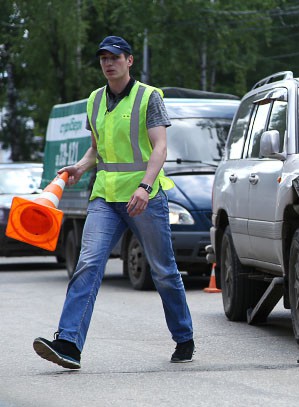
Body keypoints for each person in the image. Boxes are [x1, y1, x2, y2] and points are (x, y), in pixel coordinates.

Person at [33, 36, 194, 369]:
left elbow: (160, 148)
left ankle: (183, 337)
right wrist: (79, 166)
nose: (108, 63)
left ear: (129, 61)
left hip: (144, 198)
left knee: (163, 271)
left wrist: (145, 187)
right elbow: (97, 150)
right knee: (88, 265)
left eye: (115, 57)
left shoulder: (149, 97)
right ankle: (68, 344)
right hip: (105, 197)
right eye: (103, 58)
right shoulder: (93, 101)